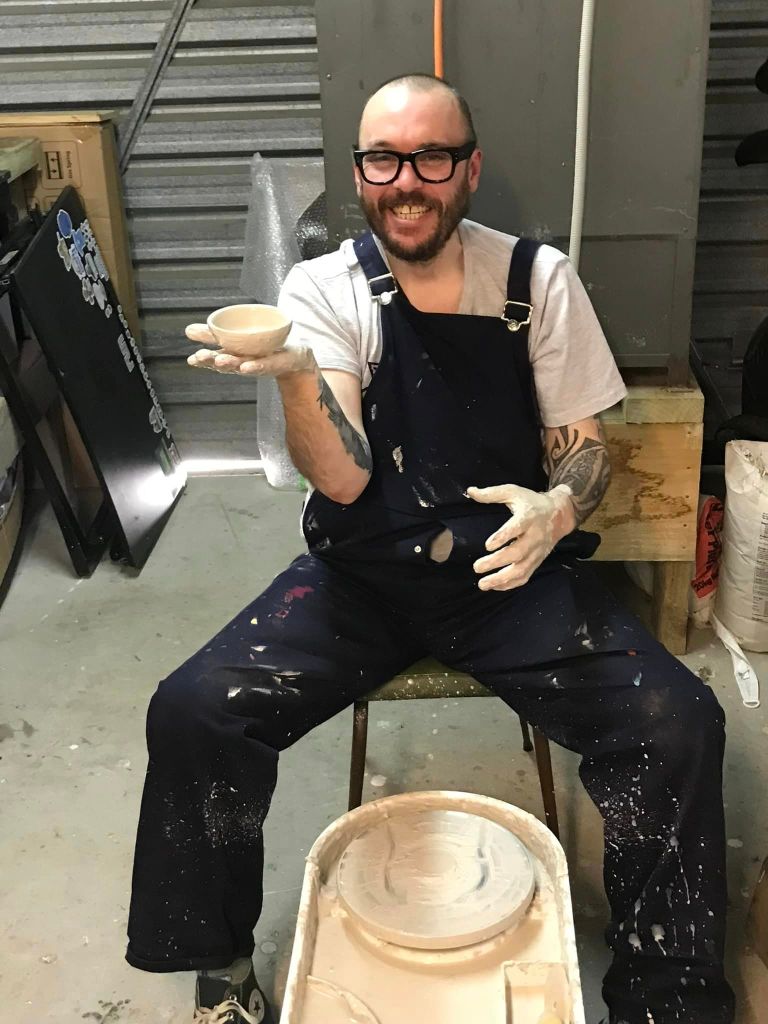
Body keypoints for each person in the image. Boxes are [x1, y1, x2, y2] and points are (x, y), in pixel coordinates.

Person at [126, 73, 735, 1024]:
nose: (406, 181)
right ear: (361, 172)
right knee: (197, 710)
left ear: (470, 168)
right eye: (383, 159)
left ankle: (667, 997)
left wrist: (559, 511)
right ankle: (223, 972)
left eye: (432, 158)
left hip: (508, 576)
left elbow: (588, 451)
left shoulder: (538, 281)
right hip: (361, 579)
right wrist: (293, 377)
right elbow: (344, 479)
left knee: (678, 721)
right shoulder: (323, 287)